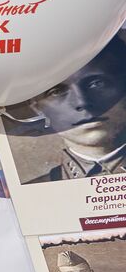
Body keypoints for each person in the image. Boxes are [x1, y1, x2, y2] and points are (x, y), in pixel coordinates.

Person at [15, 36, 126, 184]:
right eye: (56, 92)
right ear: (37, 107)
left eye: (97, 83)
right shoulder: (29, 196)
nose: (82, 102)